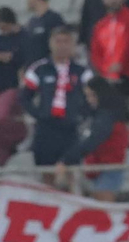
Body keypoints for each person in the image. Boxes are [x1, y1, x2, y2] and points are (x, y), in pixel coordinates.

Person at [23, 25, 93, 164]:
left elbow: (92, 98)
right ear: (50, 43)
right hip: (46, 128)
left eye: (66, 41)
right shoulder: (39, 69)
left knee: (71, 170)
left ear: (73, 44)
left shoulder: (82, 71)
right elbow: (25, 97)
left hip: (71, 128)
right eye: (58, 41)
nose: (62, 46)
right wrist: (39, 114)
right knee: (45, 169)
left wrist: (81, 114)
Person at [59, 76, 129, 199]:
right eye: (87, 96)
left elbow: (93, 141)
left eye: (92, 95)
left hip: (109, 168)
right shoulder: (107, 115)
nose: (89, 100)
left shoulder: (107, 117)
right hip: (99, 168)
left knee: (103, 209)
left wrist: (67, 159)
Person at [0, 7, 29, 161]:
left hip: (12, 85)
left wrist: (7, 57)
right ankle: (1, 158)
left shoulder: (24, 37)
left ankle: (20, 136)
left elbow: (24, 58)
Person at [89, 0, 129, 93]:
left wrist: (122, 66)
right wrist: (103, 68)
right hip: (106, 78)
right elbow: (95, 52)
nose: (113, 0)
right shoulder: (100, 25)